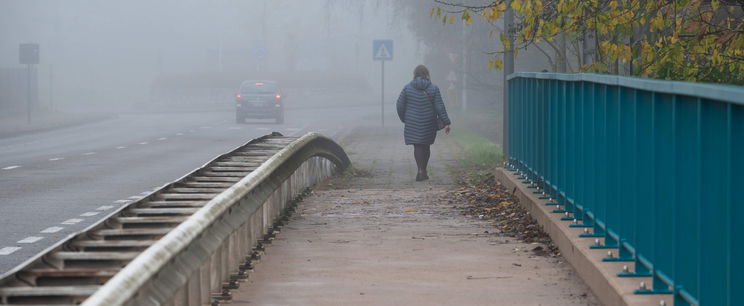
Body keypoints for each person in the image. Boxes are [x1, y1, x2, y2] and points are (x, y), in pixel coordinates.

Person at [396, 65, 452, 181]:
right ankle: (423, 170)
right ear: (427, 74)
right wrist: (446, 122)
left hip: (412, 121)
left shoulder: (407, 88)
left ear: (414, 74)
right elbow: (439, 106)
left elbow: (399, 105)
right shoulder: (433, 88)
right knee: (426, 145)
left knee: (418, 145)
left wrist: (404, 118)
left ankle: (421, 170)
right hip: (429, 121)